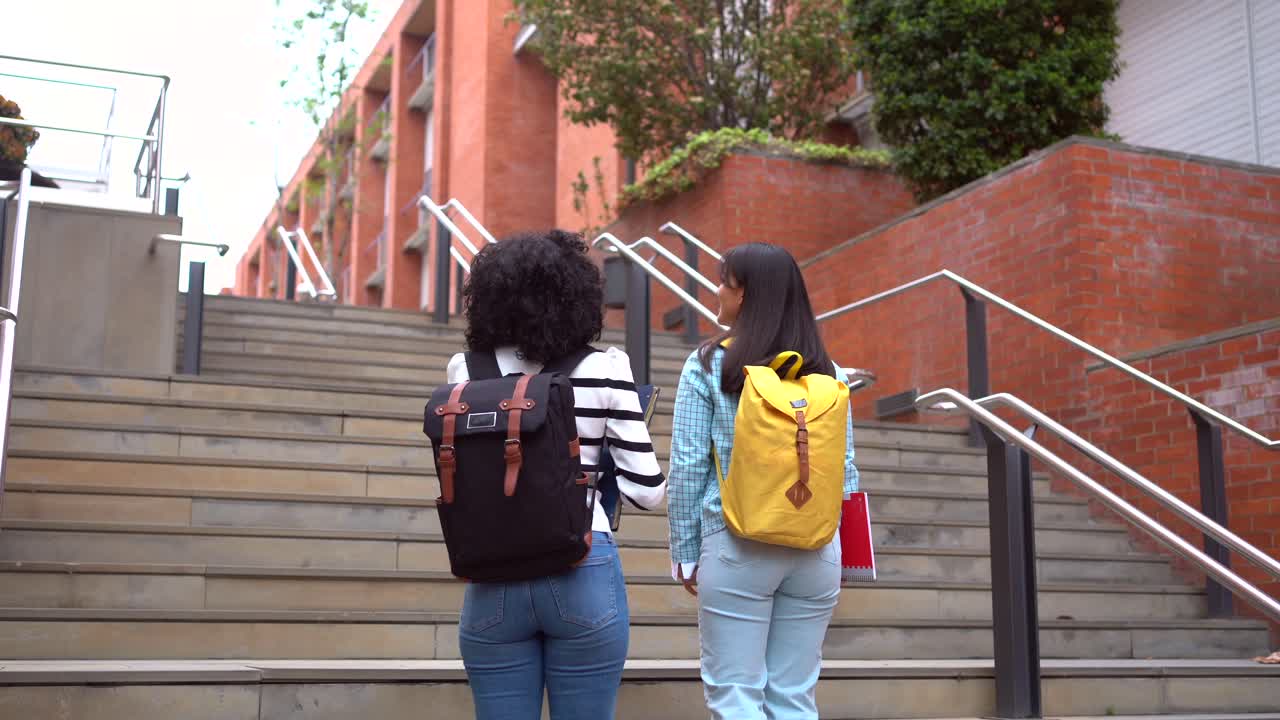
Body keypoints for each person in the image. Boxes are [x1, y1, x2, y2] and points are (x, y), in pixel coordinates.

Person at [446, 229, 666, 720]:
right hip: (582, 562)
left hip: (492, 570)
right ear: (578, 298)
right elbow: (647, 492)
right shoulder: (607, 368)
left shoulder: (465, 370)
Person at [667, 242, 858, 720]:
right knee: (794, 697)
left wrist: (685, 552)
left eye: (723, 282)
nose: (717, 291)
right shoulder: (828, 372)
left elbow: (689, 465)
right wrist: (847, 552)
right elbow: (847, 469)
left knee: (736, 697)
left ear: (745, 294)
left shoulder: (711, 363)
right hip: (816, 548)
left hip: (736, 541)